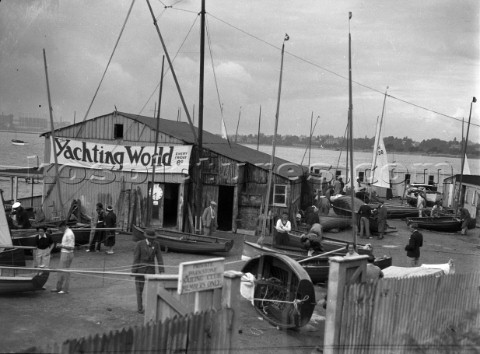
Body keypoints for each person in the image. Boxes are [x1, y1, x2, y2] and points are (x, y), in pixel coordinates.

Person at [131, 229, 164, 314]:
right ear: (147, 238)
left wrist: (161, 269)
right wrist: (133, 271)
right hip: (140, 270)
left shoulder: (156, 244)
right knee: (139, 291)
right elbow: (136, 258)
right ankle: (140, 308)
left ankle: (150, 308)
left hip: (151, 271)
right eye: (151, 238)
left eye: (153, 238)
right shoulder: (139, 244)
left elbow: (159, 257)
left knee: (151, 290)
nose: (152, 240)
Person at [51, 221, 75, 294]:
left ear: (63, 226)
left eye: (60, 228)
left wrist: (61, 246)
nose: (59, 230)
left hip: (67, 254)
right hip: (64, 253)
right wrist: (62, 245)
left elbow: (71, 247)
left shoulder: (69, 234)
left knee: (65, 272)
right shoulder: (66, 232)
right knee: (60, 271)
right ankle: (59, 287)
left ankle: (65, 289)